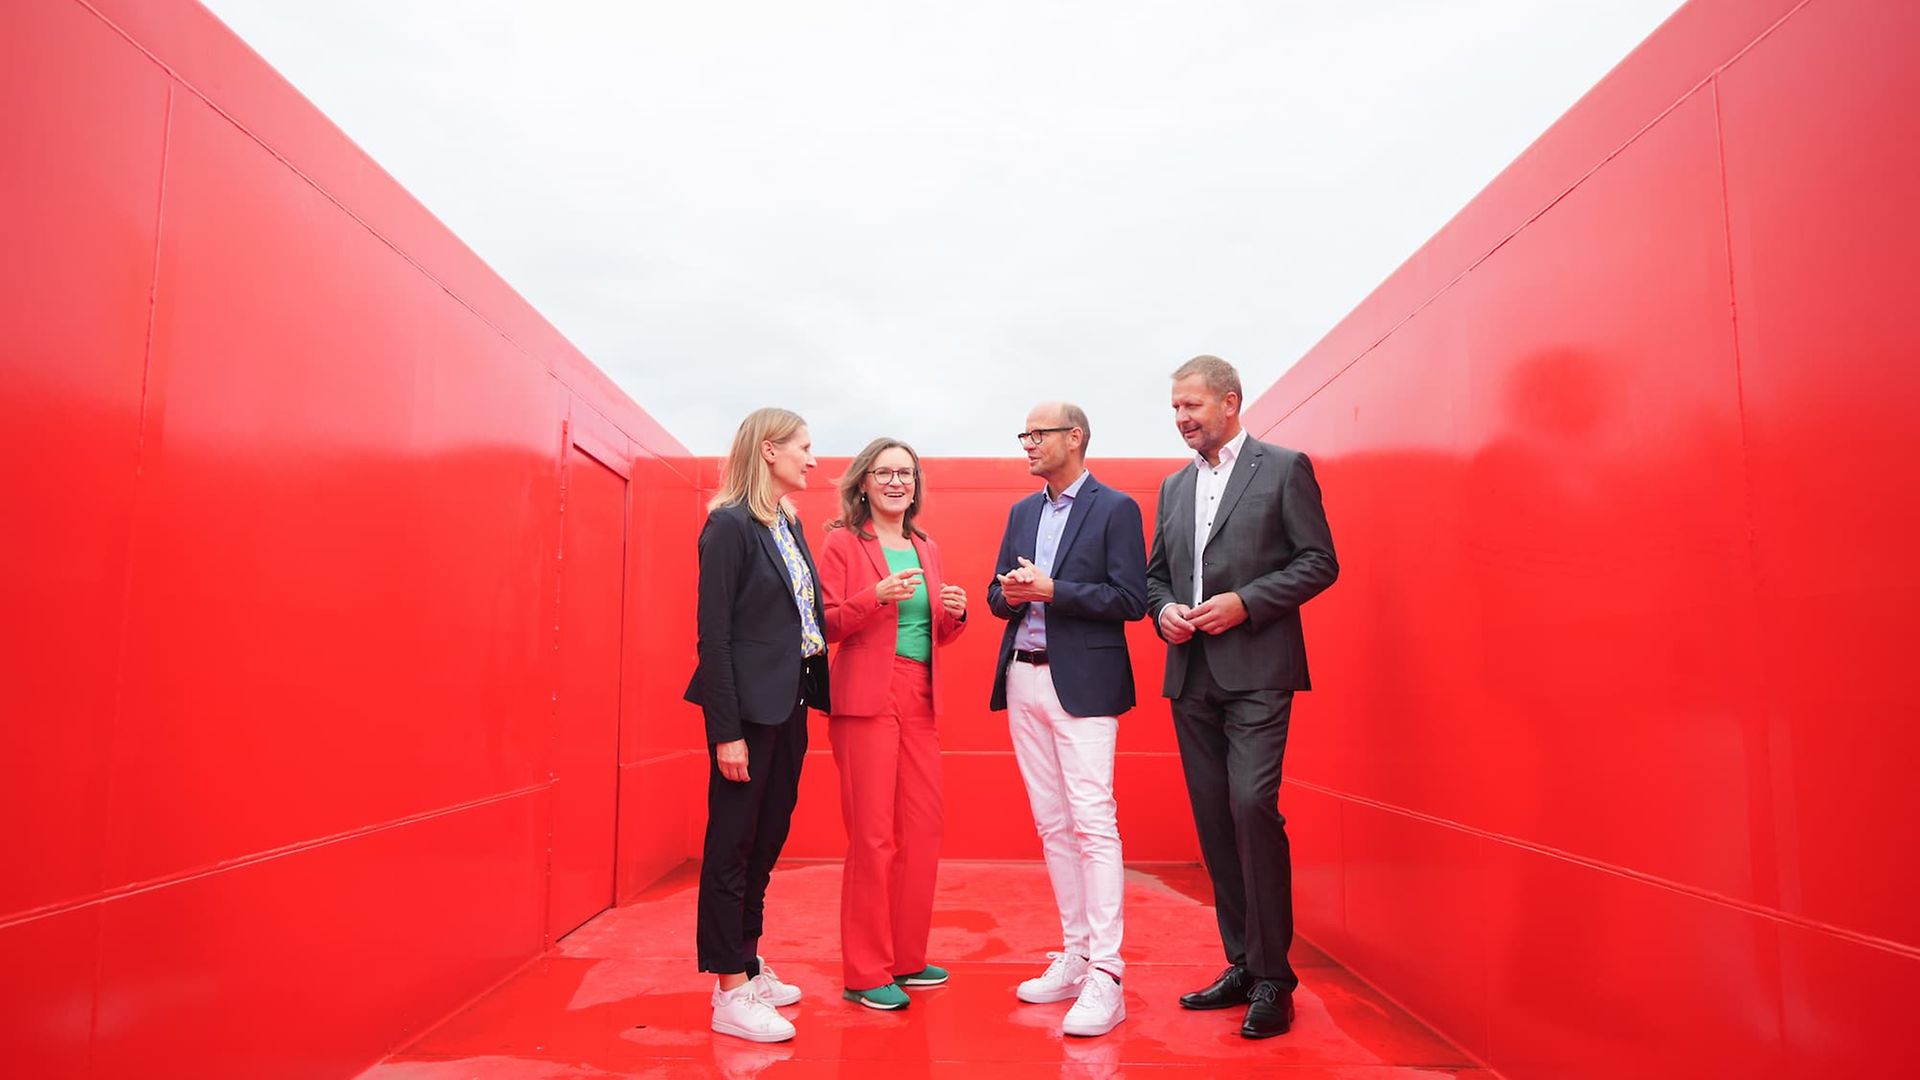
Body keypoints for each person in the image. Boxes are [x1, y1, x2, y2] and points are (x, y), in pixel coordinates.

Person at [1144, 356, 1338, 1039]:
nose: (1181, 418)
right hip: (1190, 676)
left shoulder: (1284, 467)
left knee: (1252, 807)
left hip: (1258, 670)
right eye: (1174, 408)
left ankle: (1275, 981)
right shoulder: (1171, 488)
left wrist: (1246, 603)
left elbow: (1320, 561)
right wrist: (1164, 609)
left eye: (1191, 405)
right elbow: (1156, 576)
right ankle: (1242, 964)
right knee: (1215, 823)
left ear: (1229, 402)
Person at [987, 401, 1148, 1038]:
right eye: (1023, 433)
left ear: (1073, 437)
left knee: (1092, 819)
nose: (1027, 443)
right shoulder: (1022, 512)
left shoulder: (1115, 508)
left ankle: (1108, 974)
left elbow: (1131, 599)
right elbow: (999, 592)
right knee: (1053, 822)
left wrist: (1054, 590)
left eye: (1038, 433)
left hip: (1084, 683)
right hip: (1023, 675)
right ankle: (1076, 952)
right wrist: (1014, 591)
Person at [684, 407, 830, 1043]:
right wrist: (726, 732)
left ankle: (747, 959)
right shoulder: (728, 527)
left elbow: (799, 624)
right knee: (731, 848)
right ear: (769, 451)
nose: (813, 459)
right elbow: (713, 640)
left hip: (790, 704)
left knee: (767, 841)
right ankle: (728, 991)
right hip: (746, 715)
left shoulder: (788, 524)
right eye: (804, 447)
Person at [817, 438, 969, 1010]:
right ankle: (864, 970)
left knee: (923, 829)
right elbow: (826, 623)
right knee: (873, 836)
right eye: (884, 472)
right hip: (865, 701)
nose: (896, 482)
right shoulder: (841, 542)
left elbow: (935, 633)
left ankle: (906, 958)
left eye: (905, 473)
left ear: (916, 484)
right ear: (863, 483)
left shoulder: (926, 546)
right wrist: (874, 597)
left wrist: (954, 613)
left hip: (920, 695)